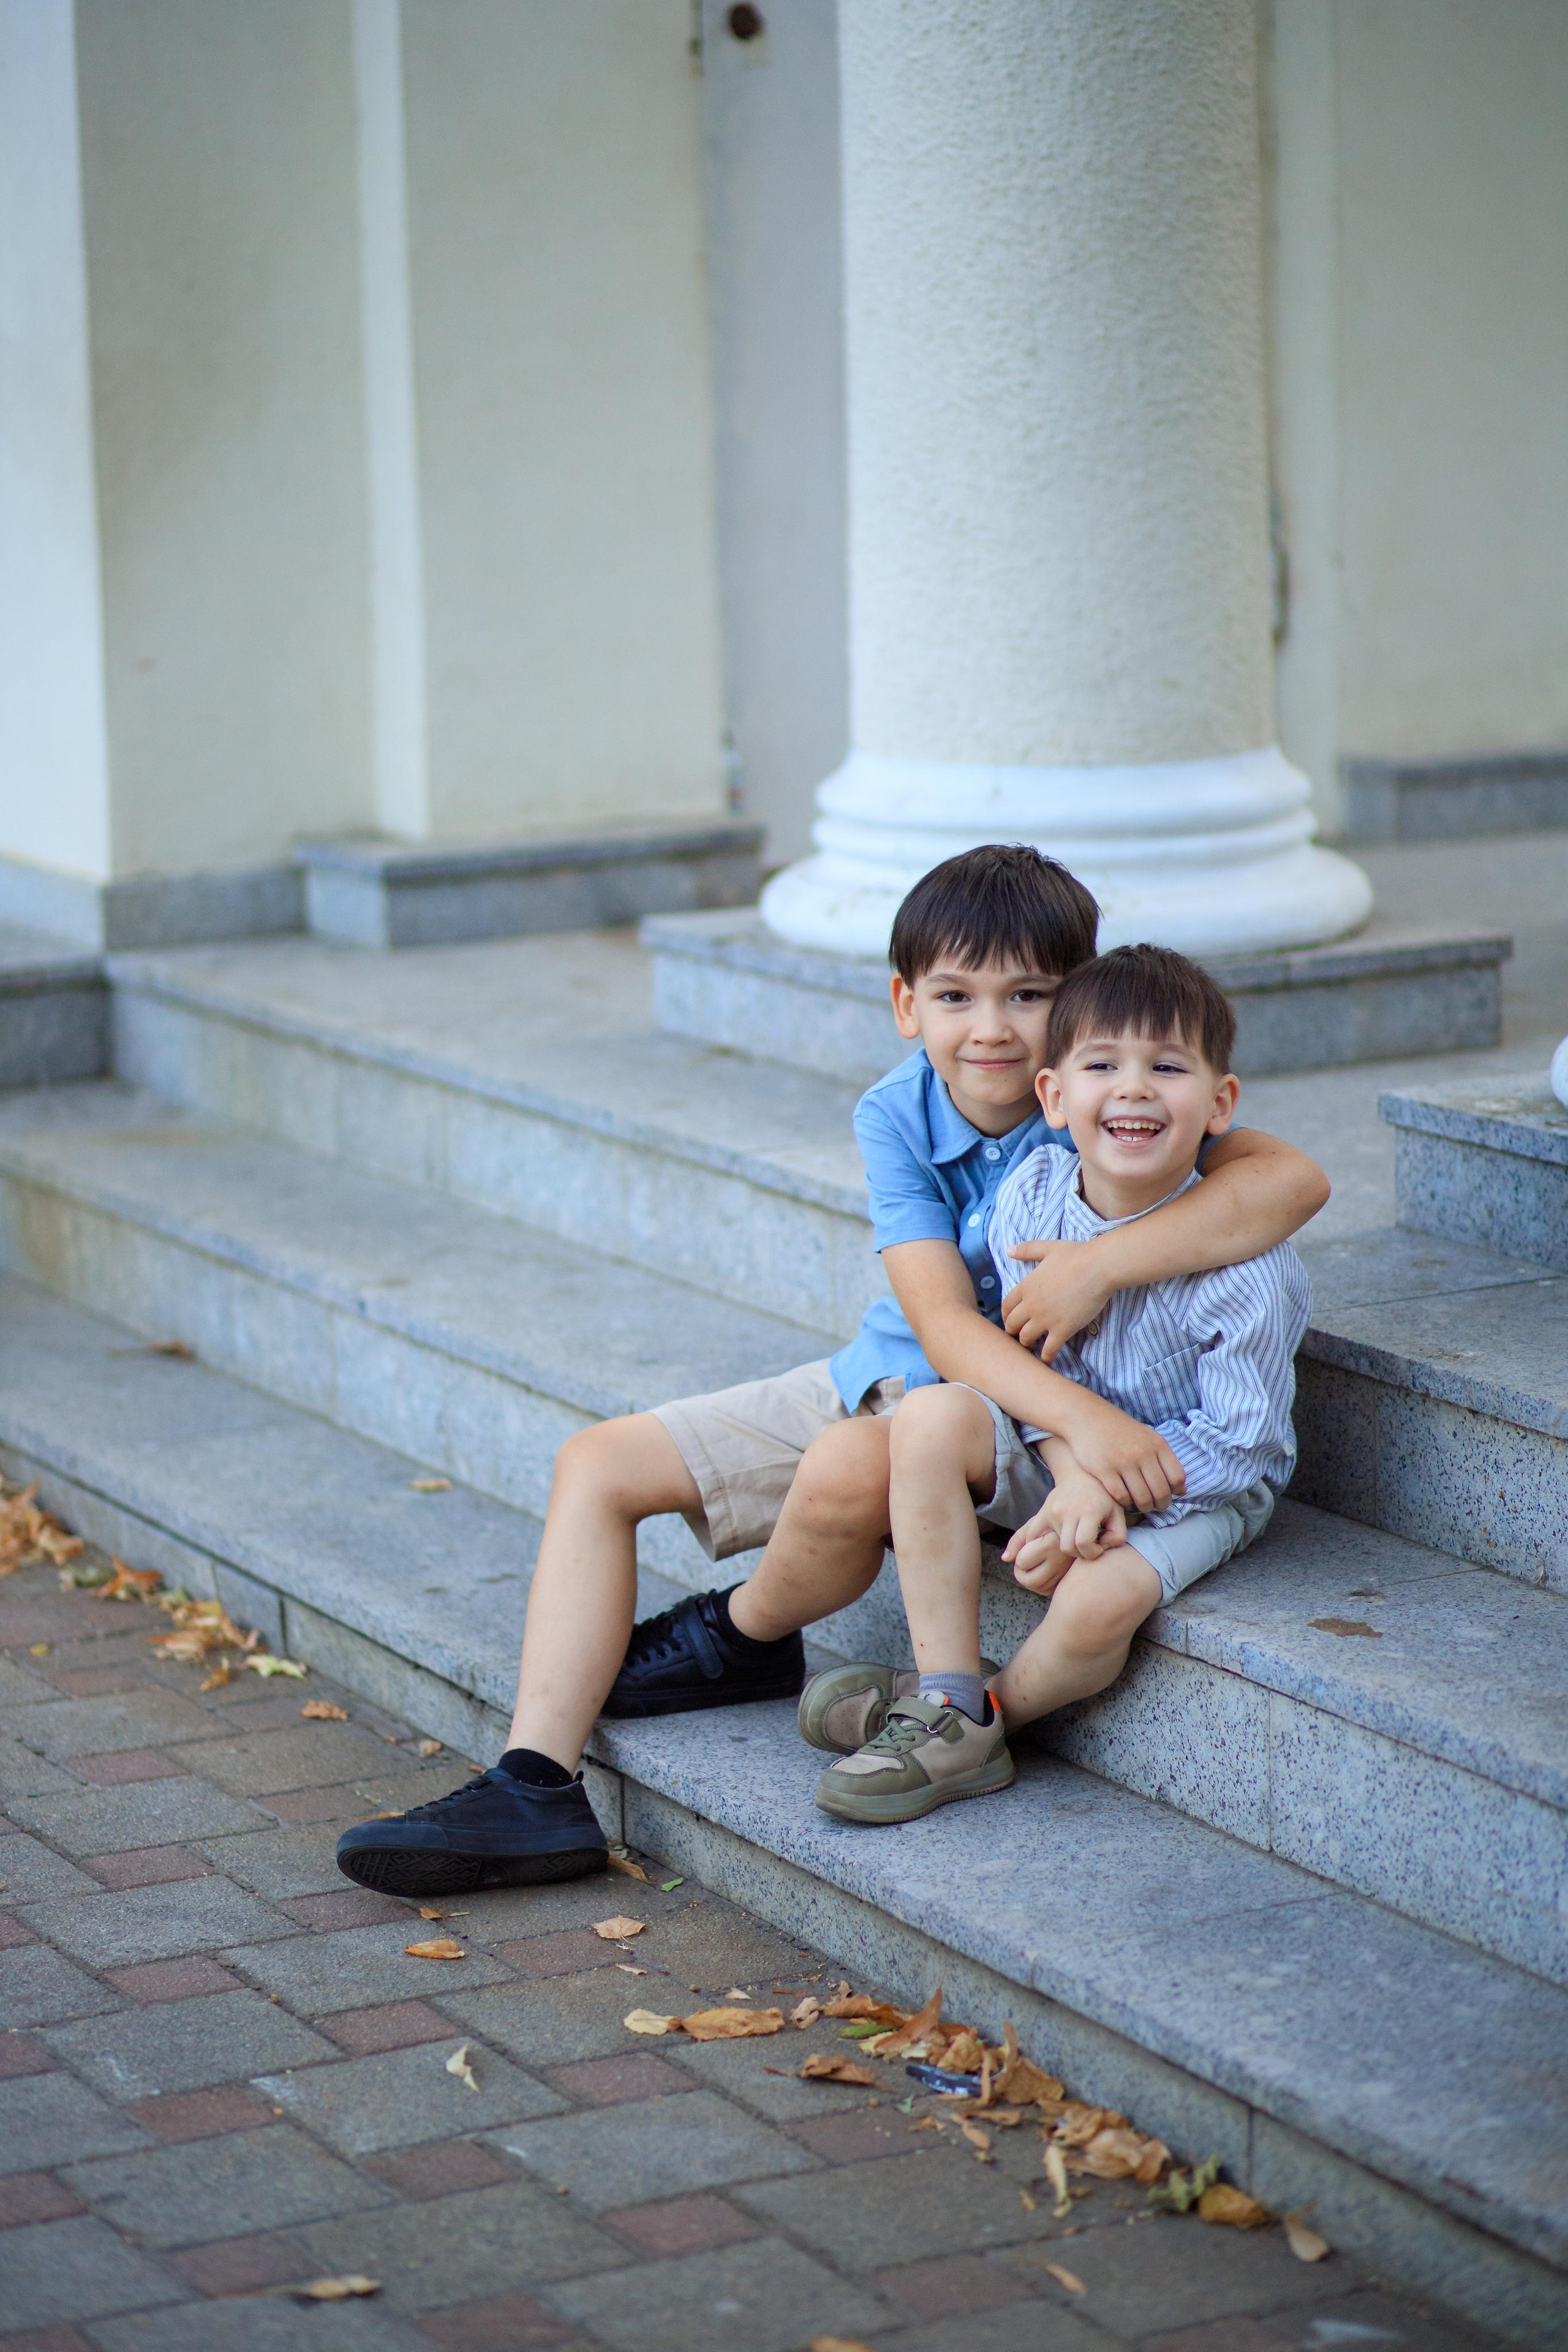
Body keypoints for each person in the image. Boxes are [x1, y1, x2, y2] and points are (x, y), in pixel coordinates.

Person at [336, 853, 1326, 1895]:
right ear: (908, 1005)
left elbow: (1294, 1180)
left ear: (1073, 1005)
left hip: (992, 1415)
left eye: (1029, 997)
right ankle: (535, 1779)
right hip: (914, 1373)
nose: (989, 1028)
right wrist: (1084, 1427)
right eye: (955, 997)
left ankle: (751, 1634)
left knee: (863, 1462)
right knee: (598, 1461)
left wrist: (1101, 1269)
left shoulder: (1109, 1094)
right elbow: (942, 1329)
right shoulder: (903, 1111)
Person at [807, 943, 1312, 1825]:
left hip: (1201, 1482)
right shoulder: (1034, 1196)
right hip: (1067, 1450)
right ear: (1052, 1097)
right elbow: (1026, 1372)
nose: (1133, 1089)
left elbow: (1244, 1444)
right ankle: (946, 1689)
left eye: (1167, 1067)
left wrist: (1107, 1495)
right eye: (1102, 1065)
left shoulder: (1246, 1271)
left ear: (1220, 1103)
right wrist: (1072, 1473)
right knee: (926, 1418)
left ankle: (980, 1720)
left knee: (1100, 1598)